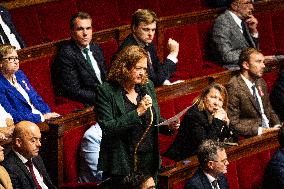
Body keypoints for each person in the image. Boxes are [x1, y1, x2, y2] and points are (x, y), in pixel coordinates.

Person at [96, 45, 179, 188]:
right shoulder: (106, 91)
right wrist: (137, 112)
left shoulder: (147, 86)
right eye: (138, 68)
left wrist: (168, 125)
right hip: (122, 162)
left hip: (149, 160)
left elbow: (155, 119)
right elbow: (108, 128)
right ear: (124, 67)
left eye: (145, 69)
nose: (142, 73)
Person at [164, 83, 237, 162]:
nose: (216, 103)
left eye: (220, 100)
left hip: (200, 159)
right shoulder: (194, 115)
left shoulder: (217, 114)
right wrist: (217, 121)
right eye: (213, 97)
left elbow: (234, 140)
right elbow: (206, 147)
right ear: (204, 98)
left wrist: (227, 125)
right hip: (182, 161)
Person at [51, 11, 107, 107]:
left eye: (88, 28)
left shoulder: (95, 47)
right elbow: (74, 90)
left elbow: (104, 77)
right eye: (80, 29)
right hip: (89, 102)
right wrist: (103, 97)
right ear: (72, 32)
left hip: (105, 97)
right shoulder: (66, 54)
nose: (85, 33)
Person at [114, 9, 179, 86]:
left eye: (153, 30)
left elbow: (157, 69)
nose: (151, 34)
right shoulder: (130, 50)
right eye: (146, 29)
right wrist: (172, 55)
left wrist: (166, 83)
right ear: (134, 28)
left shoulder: (148, 43)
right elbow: (154, 81)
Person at [227, 48, 280, 137]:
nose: (263, 66)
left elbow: (268, 109)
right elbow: (233, 123)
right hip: (254, 136)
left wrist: (278, 125)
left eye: (263, 62)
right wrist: (261, 131)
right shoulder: (234, 87)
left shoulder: (261, 82)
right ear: (246, 65)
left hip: (272, 132)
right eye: (258, 62)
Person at [0, 44, 60, 124]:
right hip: (26, 124)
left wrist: (47, 113)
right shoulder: (1, 84)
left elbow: (36, 98)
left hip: (41, 118)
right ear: (1, 63)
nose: (16, 61)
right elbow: (11, 115)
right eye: (11, 58)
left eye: (17, 58)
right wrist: (41, 118)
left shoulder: (19, 74)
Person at [2, 121, 56, 189]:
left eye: (39, 139)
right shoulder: (9, 167)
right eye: (33, 140)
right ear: (18, 142)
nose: (39, 144)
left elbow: (49, 185)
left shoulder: (36, 157)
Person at [212, 0, 259, 70]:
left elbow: (253, 49)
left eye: (251, 3)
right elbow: (226, 56)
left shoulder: (244, 20)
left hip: (249, 65)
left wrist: (253, 31)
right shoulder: (222, 22)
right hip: (236, 69)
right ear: (234, 6)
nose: (252, 7)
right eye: (247, 3)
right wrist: (252, 56)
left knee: (279, 59)